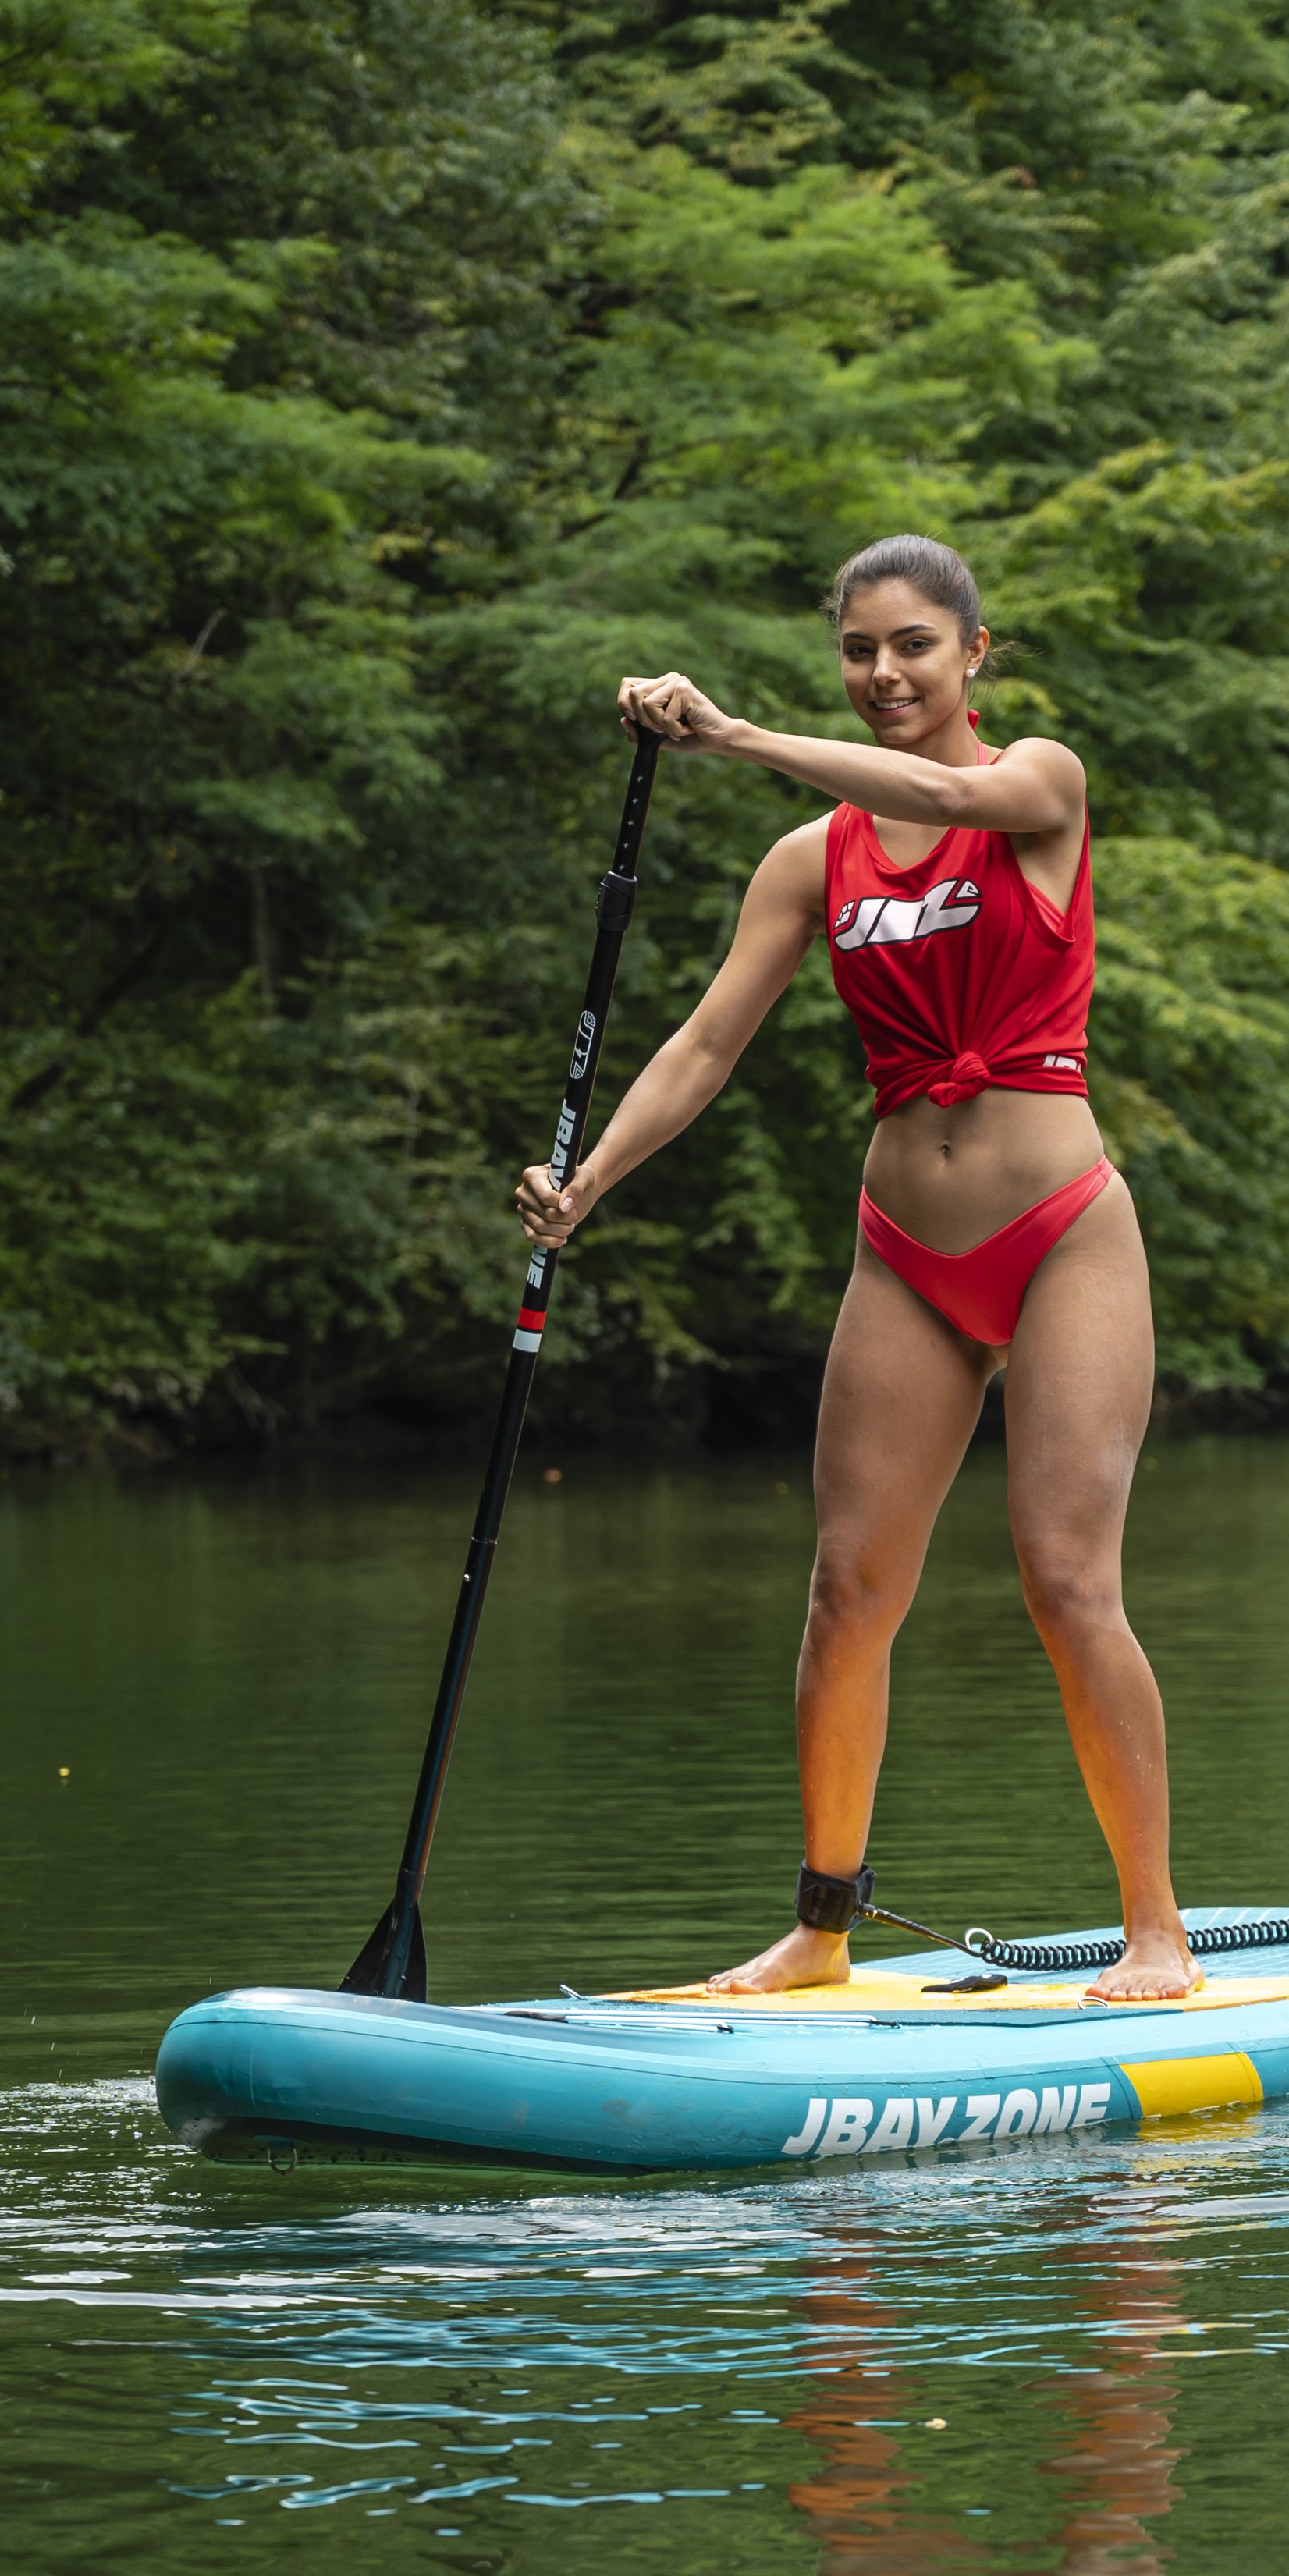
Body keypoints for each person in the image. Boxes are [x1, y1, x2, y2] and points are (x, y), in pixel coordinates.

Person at [518, 534, 1195, 2001]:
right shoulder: (810, 860)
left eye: (912, 648)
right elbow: (703, 1047)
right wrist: (584, 1186)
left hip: (1061, 1228)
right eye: (859, 650)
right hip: (906, 1253)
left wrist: (741, 734)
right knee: (846, 1593)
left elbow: (949, 793)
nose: (885, 673)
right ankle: (821, 1927)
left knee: (1068, 1582)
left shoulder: (1041, 787)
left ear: (974, 656)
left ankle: (1156, 1934)